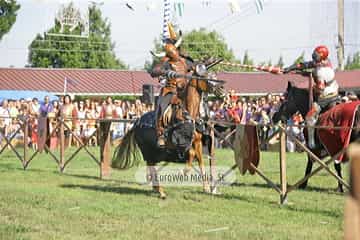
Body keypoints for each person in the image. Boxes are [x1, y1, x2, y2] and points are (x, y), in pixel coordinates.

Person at [283, 45, 339, 148]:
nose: (314, 58)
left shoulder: (321, 72)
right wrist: (292, 68)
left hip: (325, 97)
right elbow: (306, 64)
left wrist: (312, 86)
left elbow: (320, 88)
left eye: (316, 56)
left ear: (321, 57)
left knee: (309, 117)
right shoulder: (325, 62)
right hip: (335, 92)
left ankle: (312, 143)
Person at [150, 23, 191, 147]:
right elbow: (154, 71)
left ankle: (200, 124)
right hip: (170, 91)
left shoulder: (184, 61)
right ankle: (160, 133)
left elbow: (194, 66)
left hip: (184, 90)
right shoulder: (165, 62)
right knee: (161, 106)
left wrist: (205, 63)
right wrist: (164, 71)